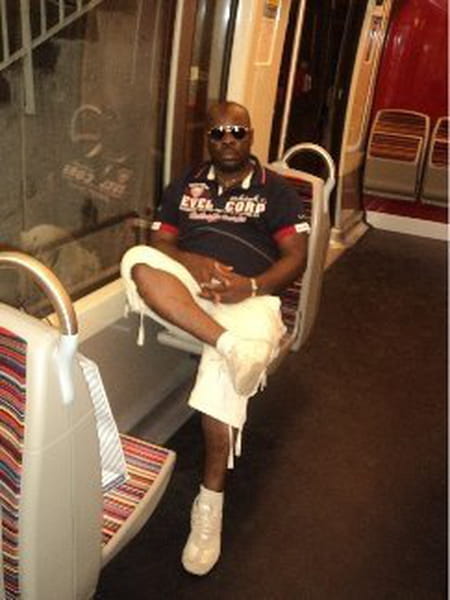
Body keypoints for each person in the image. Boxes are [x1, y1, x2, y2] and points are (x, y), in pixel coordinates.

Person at [120, 101, 310, 575]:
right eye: (218, 132)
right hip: (190, 289)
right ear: (207, 138)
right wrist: (194, 262)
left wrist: (251, 286)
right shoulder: (185, 184)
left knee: (220, 381)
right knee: (137, 262)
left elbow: (297, 257)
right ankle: (229, 345)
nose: (228, 140)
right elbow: (162, 243)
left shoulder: (276, 191)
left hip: (249, 297)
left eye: (237, 132)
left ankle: (210, 504)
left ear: (251, 136)